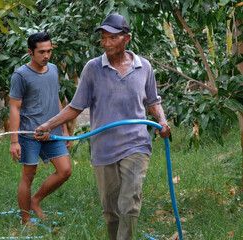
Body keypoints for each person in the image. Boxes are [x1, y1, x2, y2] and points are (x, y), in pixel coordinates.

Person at [34, 14, 171, 239]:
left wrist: (162, 122)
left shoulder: (143, 66)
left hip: (135, 144)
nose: (106, 43)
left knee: (129, 203)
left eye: (112, 38)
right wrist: (49, 125)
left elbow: (153, 102)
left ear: (126, 38)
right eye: (103, 38)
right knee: (111, 210)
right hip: (103, 147)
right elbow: (75, 107)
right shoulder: (93, 68)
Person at [9, 32, 72, 225]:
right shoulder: (21, 75)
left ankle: (35, 200)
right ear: (30, 52)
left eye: (49, 51)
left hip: (53, 132)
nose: (46, 56)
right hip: (30, 134)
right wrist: (14, 141)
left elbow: (57, 101)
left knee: (65, 171)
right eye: (42, 52)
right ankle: (25, 220)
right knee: (29, 175)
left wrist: (65, 131)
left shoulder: (53, 69)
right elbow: (14, 108)